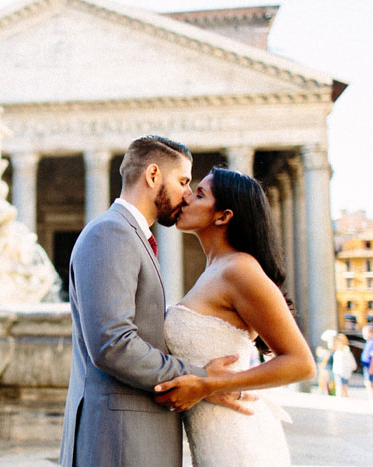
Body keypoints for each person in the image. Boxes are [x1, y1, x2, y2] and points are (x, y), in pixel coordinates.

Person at [59, 136, 250, 467]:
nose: (187, 195)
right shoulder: (111, 233)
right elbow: (112, 343)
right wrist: (199, 378)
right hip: (119, 440)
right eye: (183, 181)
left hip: (132, 436)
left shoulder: (128, 235)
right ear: (152, 175)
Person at [153, 167, 316, 466]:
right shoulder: (215, 270)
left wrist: (209, 385)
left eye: (200, 194)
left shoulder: (239, 269)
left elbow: (301, 364)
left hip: (241, 439)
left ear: (223, 216)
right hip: (217, 437)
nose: (186, 197)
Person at [332, 333, 357, 397]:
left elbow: (350, 360)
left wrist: (353, 366)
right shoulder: (337, 350)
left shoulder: (346, 350)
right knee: (340, 387)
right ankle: (340, 400)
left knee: (344, 387)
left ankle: (344, 400)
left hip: (345, 371)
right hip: (338, 371)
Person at [360, 324, 373, 400]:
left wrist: (371, 367)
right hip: (369, 366)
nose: (363, 334)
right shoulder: (370, 341)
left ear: (370, 333)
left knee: (370, 383)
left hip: (370, 366)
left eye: (365, 332)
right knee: (371, 382)